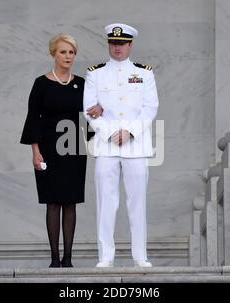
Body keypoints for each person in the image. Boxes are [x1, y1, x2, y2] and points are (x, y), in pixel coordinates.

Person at [20, 33, 102, 268]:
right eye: (63, 52)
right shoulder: (41, 83)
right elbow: (33, 118)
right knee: (53, 202)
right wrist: (35, 151)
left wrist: (99, 109)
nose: (68, 56)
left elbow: (89, 115)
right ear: (53, 54)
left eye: (71, 52)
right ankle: (54, 259)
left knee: (70, 202)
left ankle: (68, 259)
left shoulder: (83, 84)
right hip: (48, 148)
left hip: (74, 147)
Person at [83, 23, 159, 268]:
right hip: (107, 146)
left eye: (122, 43)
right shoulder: (95, 73)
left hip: (135, 146)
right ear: (109, 44)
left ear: (130, 45)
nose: (117, 48)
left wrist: (129, 131)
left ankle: (140, 255)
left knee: (137, 203)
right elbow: (89, 110)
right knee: (107, 202)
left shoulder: (144, 73)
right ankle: (105, 256)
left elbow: (150, 107)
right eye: (113, 43)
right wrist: (110, 132)